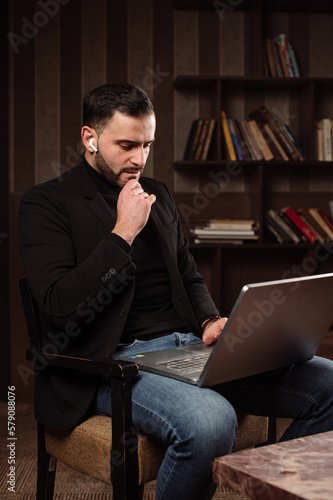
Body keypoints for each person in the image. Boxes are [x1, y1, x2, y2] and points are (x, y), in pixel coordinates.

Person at [19, 82, 333, 500]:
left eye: (147, 144)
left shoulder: (159, 195)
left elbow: (188, 276)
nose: (139, 158)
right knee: (211, 422)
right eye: (126, 144)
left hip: (188, 347)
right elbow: (58, 305)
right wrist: (122, 232)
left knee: (330, 385)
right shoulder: (46, 204)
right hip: (111, 361)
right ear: (89, 137)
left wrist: (208, 320)